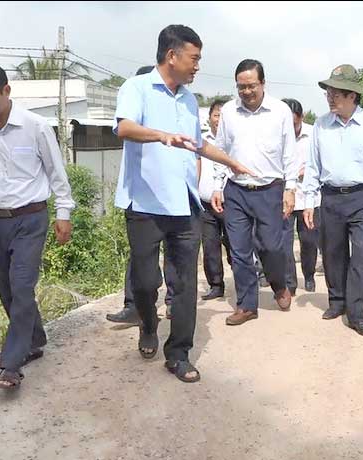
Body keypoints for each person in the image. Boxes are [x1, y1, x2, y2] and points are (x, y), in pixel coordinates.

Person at [113, 25, 252, 382]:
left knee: (186, 283)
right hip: (144, 204)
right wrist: (160, 135)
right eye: (194, 58)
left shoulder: (189, 100)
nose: (197, 66)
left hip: (185, 206)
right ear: (172, 56)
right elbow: (124, 128)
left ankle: (178, 354)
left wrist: (230, 161)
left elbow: (196, 145)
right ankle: (147, 322)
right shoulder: (137, 88)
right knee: (145, 282)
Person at [0, 62, 75, 389]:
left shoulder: (35, 126)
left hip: (31, 218)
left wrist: (63, 213)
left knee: (22, 285)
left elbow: (56, 173)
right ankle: (34, 339)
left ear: (6, 91)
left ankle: (11, 364)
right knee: (7, 289)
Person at [302, 64, 363, 338]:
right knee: (332, 252)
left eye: (336, 93)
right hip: (330, 198)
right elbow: (313, 166)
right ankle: (337, 301)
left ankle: (357, 314)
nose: (330, 98)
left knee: (360, 255)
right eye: (328, 92)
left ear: (352, 95)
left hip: (362, 198)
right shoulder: (321, 124)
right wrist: (309, 201)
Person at [211, 59, 297, 326]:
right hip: (236, 190)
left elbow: (289, 154)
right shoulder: (228, 111)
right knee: (239, 250)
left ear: (263, 83)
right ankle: (247, 305)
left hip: (270, 190)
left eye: (251, 86)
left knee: (271, 247)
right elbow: (220, 149)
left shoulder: (280, 111)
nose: (246, 92)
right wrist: (217, 185)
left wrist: (290, 188)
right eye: (241, 87)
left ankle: (278, 284)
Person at [106, 64, 175, 325]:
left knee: (173, 256)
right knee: (139, 258)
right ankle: (135, 306)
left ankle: (172, 303)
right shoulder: (133, 119)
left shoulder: (175, 114)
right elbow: (124, 130)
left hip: (171, 201)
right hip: (140, 201)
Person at [281, 98, 319, 293]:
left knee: (309, 241)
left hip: (309, 198)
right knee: (284, 242)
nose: (291, 127)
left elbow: (322, 161)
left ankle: (309, 274)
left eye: (294, 123)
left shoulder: (314, 133)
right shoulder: (276, 134)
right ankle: (290, 283)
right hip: (285, 196)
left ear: (301, 118)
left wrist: (309, 171)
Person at [197, 98, 233, 300]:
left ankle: (244, 279)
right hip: (205, 203)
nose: (219, 119)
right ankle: (216, 285)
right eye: (216, 115)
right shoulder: (201, 140)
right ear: (210, 117)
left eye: (223, 115)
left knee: (235, 244)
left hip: (229, 203)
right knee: (210, 246)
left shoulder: (233, 140)